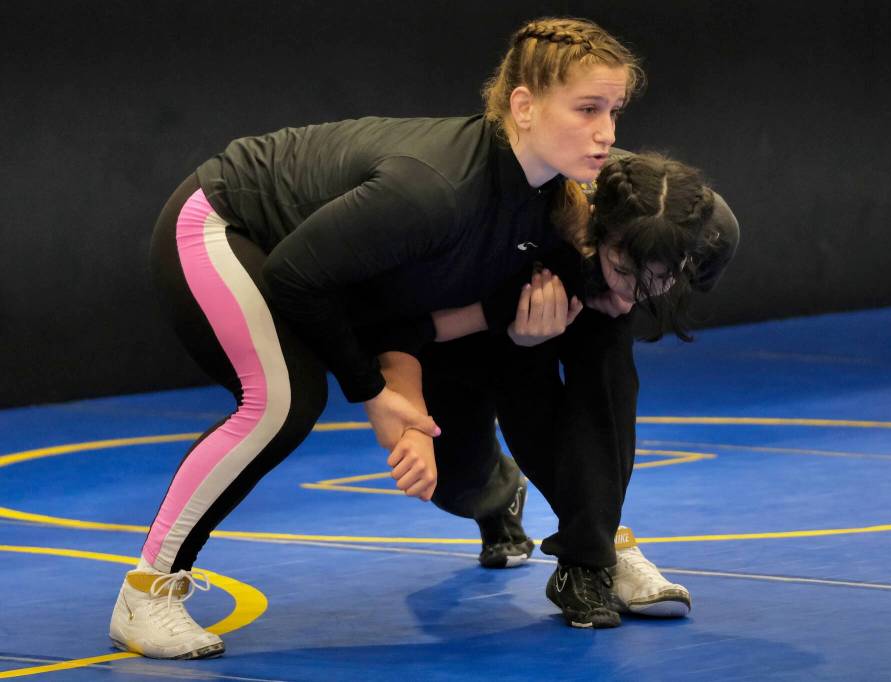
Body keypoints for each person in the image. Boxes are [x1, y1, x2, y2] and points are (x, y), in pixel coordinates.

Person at [109, 17, 645, 659]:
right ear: (523, 107)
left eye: (613, 110)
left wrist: (409, 408)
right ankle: (147, 593)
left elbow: (394, 307)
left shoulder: (540, 195)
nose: (607, 131)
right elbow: (295, 277)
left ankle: (598, 541)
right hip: (223, 225)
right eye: (588, 109)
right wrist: (374, 393)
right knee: (280, 402)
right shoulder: (438, 191)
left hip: (318, 271)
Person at [397, 152, 739, 627]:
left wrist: (617, 283)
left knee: (606, 378)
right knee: (456, 475)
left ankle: (590, 560)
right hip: (499, 303)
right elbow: (431, 325)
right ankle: (500, 493)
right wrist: (512, 327)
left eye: (658, 277)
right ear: (596, 233)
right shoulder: (523, 219)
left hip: (580, 294)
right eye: (624, 269)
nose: (633, 293)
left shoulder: (710, 234)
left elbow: (636, 286)